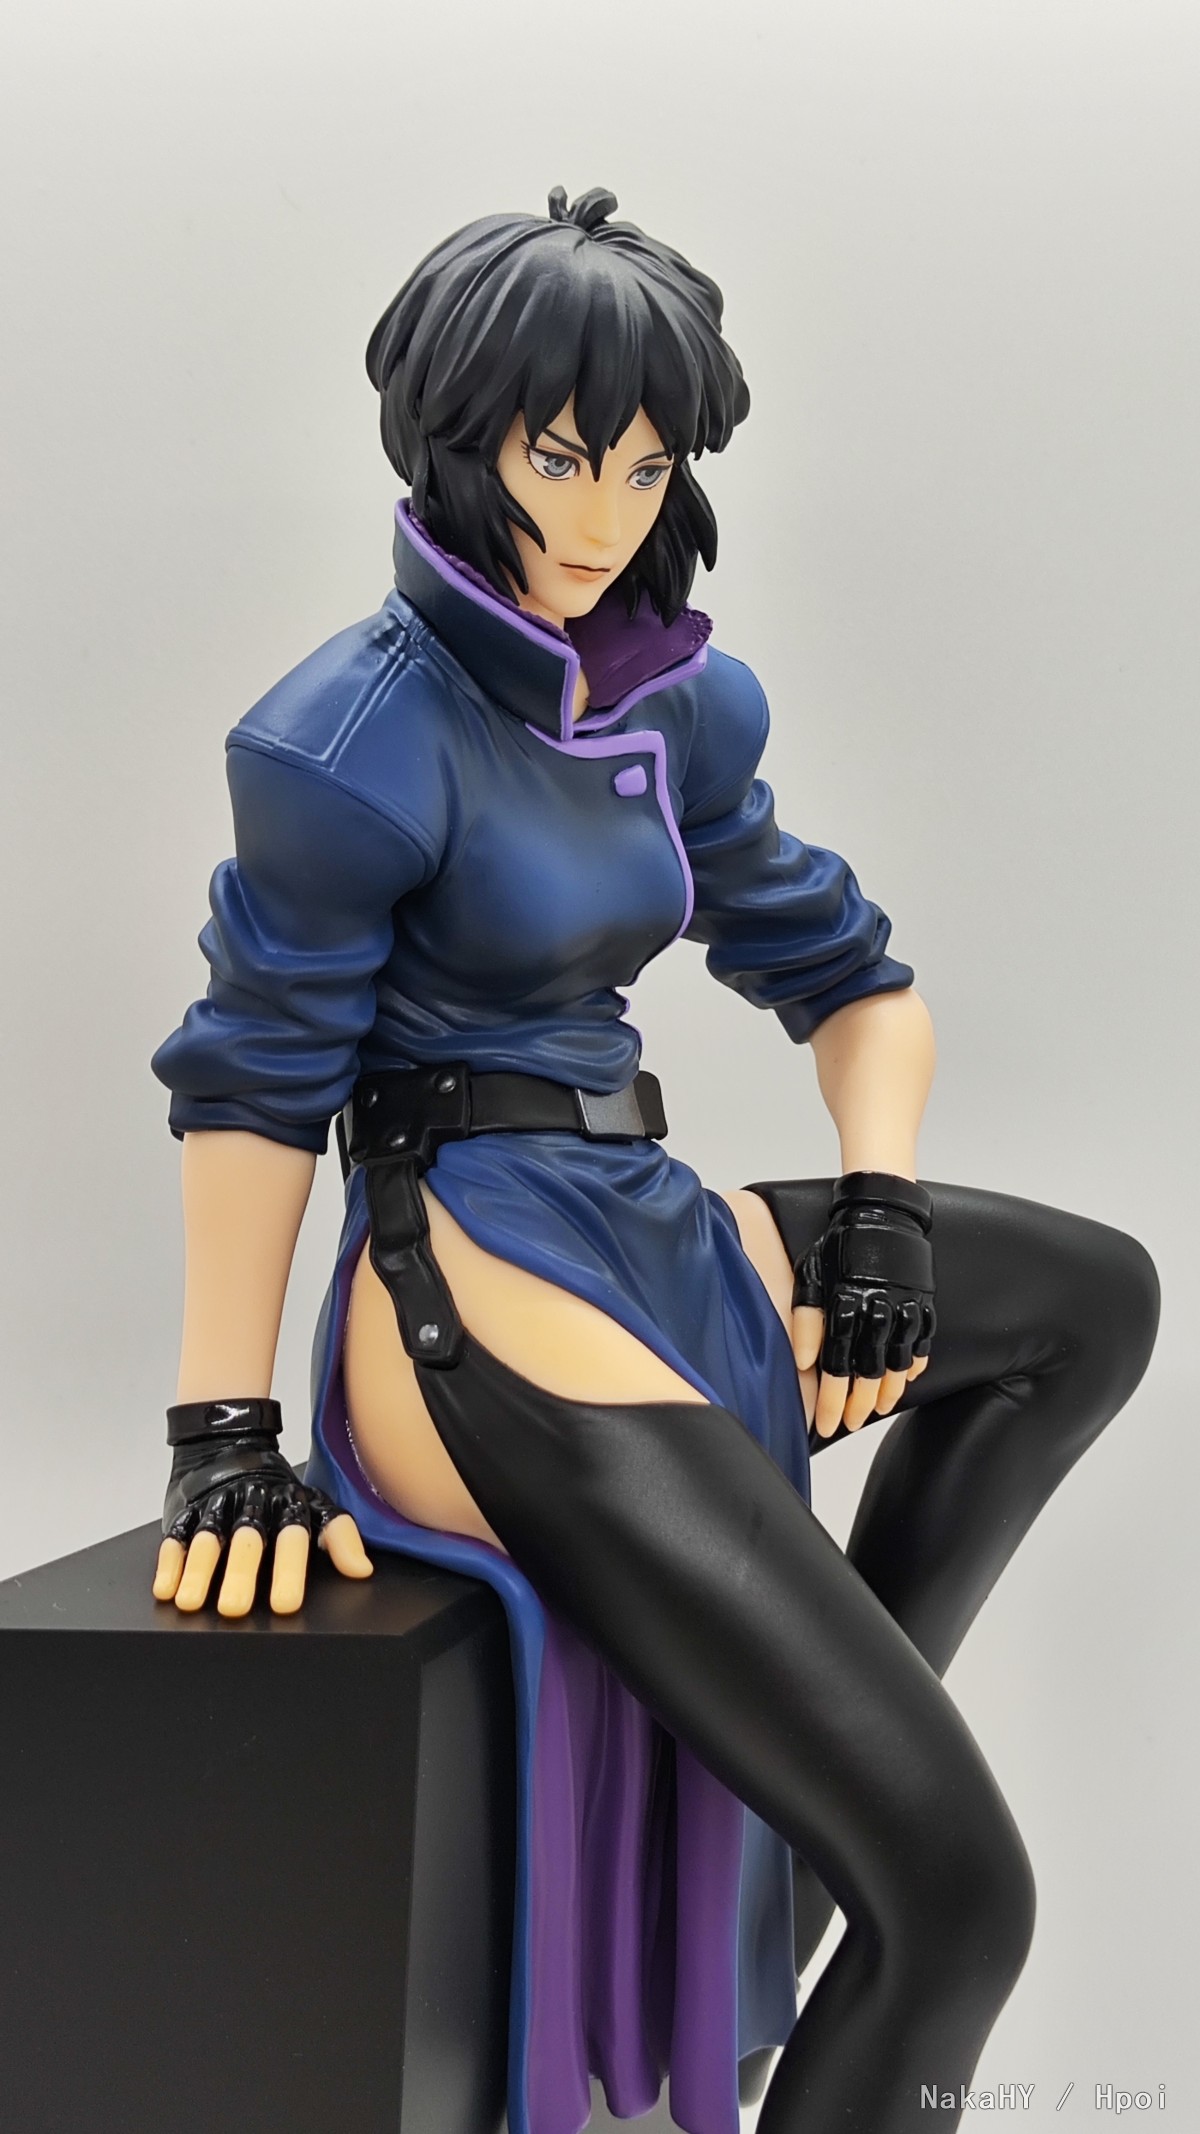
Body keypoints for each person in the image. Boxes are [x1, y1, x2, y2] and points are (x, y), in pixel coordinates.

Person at [149, 186, 1160, 2134]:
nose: (606, 510)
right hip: (470, 1262)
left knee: (1089, 1302)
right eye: (560, 456)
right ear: (462, 440)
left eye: (642, 462)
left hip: (646, 1210)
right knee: (963, 1896)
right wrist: (219, 1426)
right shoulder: (350, 734)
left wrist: (881, 1207)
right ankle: (854, 1804)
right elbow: (255, 1083)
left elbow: (857, 982)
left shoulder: (675, 702)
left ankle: (802, 1791)